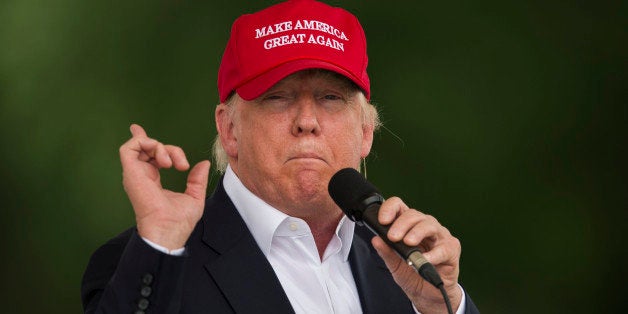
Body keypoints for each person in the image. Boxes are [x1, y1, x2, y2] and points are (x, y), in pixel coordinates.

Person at [81, 1, 480, 313]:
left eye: (330, 98)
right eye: (278, 98)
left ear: (364, 133)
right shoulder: (148, 264)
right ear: (229, 129)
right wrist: (160, 249)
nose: (307, 121)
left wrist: (439, 309)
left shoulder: (404, 271)